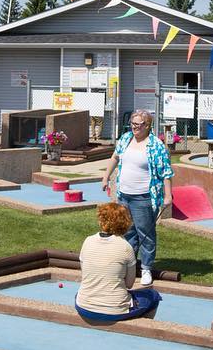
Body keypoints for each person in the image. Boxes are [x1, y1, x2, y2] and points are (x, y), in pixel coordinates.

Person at [101, 109, 173, 287]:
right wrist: (106, 177)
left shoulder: (156, 145)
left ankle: (146, 268)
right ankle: (129, 264)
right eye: (133, 124)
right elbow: (115, 157)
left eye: (138, 125)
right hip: (124, 194)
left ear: (148, 126)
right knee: (127, 231)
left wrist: (168, 195)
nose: (134, 128)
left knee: (145, 233)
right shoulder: (125, 139)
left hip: (144, 196)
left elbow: (166, 172)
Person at [74, 202, 163, 323]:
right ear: (125, 223)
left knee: (80, 294)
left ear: (101, 220)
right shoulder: (126, 247)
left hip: (83, 307)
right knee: (153, 296)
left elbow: (85, 273)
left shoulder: (88, 240)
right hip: (114, 310)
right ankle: (141, 327)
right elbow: (129, 284)